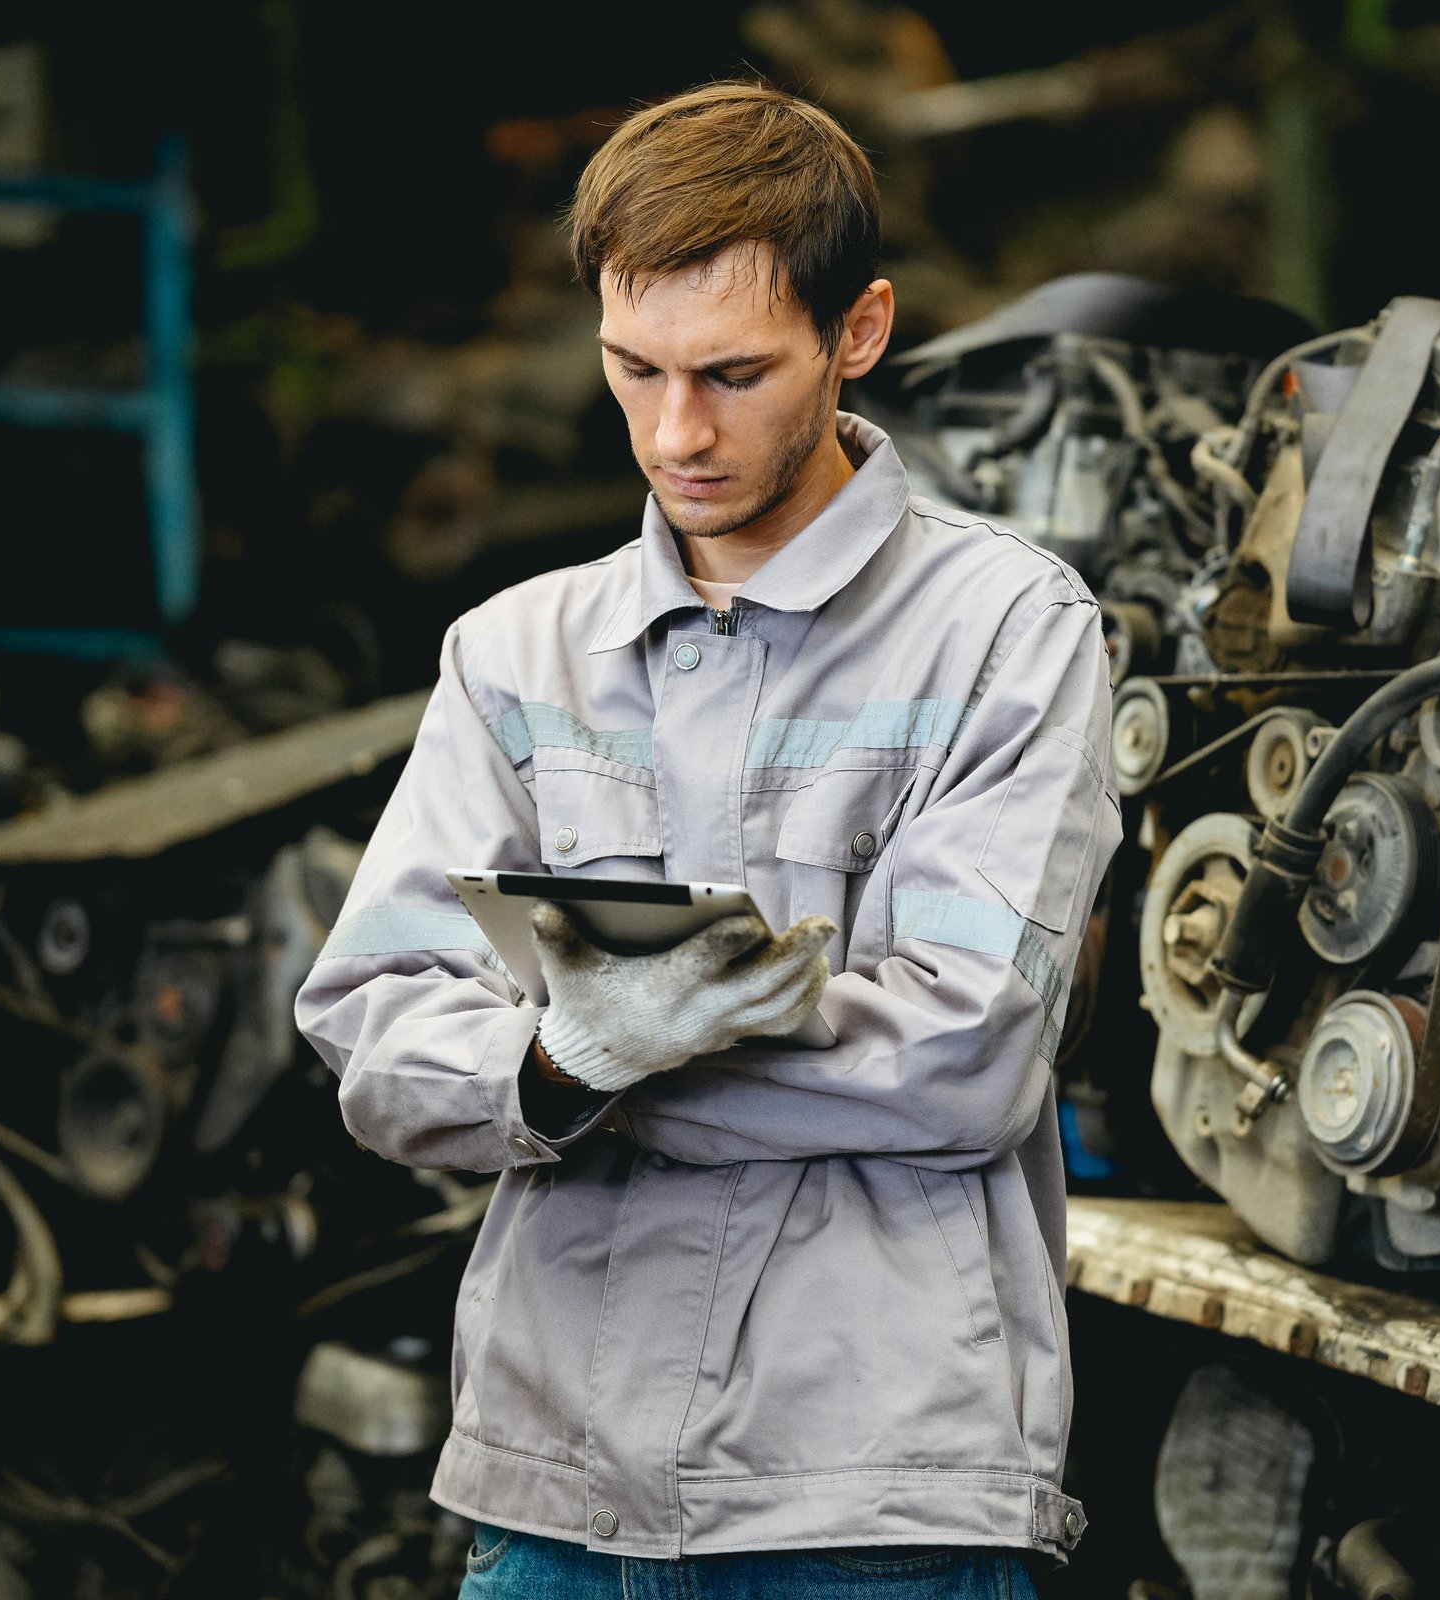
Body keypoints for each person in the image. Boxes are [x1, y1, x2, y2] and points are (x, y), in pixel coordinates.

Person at [296, 81, 1121, 1598]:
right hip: (555, 1499)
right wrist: (556, 1068)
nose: (677, 431)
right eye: (636, 368)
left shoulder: (1009, 633)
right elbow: (372, 1027)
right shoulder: (515, 655)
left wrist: (602, 1074)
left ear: (856, 331)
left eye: (734, 374)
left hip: (875, 1503)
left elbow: (968, 1060)